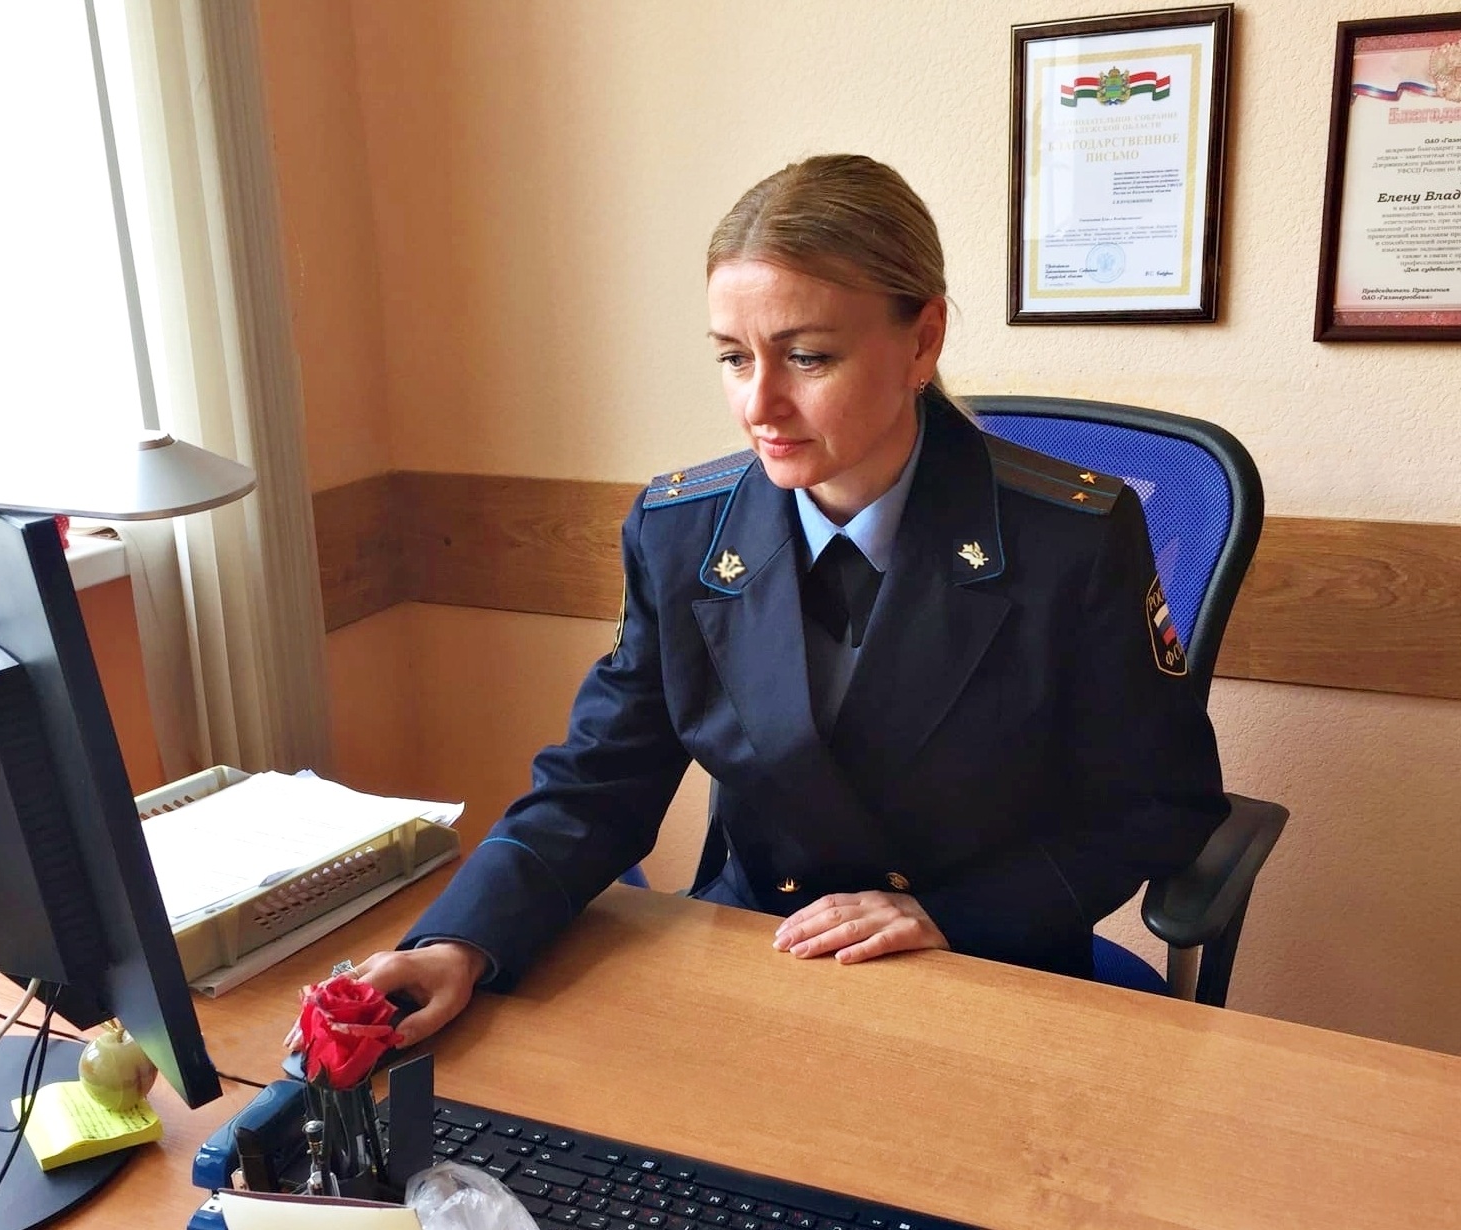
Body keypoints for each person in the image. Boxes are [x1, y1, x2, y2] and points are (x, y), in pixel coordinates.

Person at [350, 153, 1227, 1048]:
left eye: (808, 357)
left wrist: (953, 914)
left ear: (923, 341)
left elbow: (1157, 803)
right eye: (734, 358)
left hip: (985, 967)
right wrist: (461, 941)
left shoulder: (1071, 535)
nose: (759, 406)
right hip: (760, 944)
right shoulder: (680, 530)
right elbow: (601, 777)